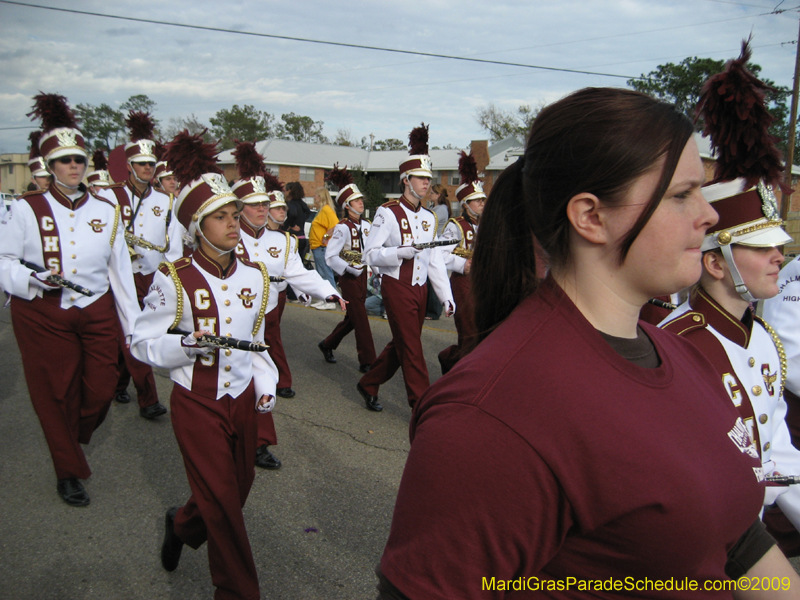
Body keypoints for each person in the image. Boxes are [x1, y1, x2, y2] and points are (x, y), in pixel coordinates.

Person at [376, 88, 799, 599]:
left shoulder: (685, 355)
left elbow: (736, 537)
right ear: (592, 217)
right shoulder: (491, 414)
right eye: (682, 195)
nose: (709, 218)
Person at [661, 41, 800, 560]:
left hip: (747, 542)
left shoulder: (761, 339)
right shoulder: (677, 343)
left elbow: (776, 451)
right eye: (761, 248)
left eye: (779, 247)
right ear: (715, 262)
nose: (777, 257)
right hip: (693, 553)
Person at [131, 130, 277, 600]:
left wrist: (266, 381)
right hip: (198, 402)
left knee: (234, 491)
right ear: (196, 226)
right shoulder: (174, 278)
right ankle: (238, 591)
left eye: (235, 214)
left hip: (242, 402)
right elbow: (141, 341)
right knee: (226, 509)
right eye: (220, 216)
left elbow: (258, 343)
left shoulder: (256, 275)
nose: (233, 223)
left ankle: (180, 525)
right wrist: (184, 347)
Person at [0, 93, 138, 506]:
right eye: (64, 161)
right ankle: (68, 469)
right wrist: (32, 277)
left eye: (78, 159)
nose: (74, 166)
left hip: (95, 307)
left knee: (99, 388)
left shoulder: (107, 209)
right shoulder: (27, 208)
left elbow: (120, 271)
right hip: (43, 310)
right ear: (49, 166)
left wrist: (132, 327)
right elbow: (4, 260)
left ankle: (68, 437)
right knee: (54, 392)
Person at [232, 143, 343, 405]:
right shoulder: (228, 237)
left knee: (266, 351)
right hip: (234, 311)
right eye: (255, 205)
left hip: (270, 303)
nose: (262, 209)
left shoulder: (282, 241)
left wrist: (328, 291)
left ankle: (269, 406)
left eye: (264, 204)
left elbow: (298, 272)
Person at [357, 124, 454, 412]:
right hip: (397, 287)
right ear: (406, 180)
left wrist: (446, 295)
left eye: (429, 178)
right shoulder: (387, 212)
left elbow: (435, 260)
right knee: (412, 349)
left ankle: (368, 383)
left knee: (403, 344)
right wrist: (400, 252)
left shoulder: (429, 216)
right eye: (421, 178)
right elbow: (369, 255)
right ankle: (422, 407)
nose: (427, 183)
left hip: (421, 290)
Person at [98, 111, 182, 419]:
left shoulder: (164, 200)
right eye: (141, 164)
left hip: (150, 276)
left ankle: (120, 384)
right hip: (117, 277)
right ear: (130, 166)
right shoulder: (109, 196)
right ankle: (148, 399)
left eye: (151, 164)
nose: (147, 168)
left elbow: (172, 244)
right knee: (132, 332)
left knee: (137, 331)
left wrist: (169, 277)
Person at [319, 164, 377, 373]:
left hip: (363, 276)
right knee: (360, 318)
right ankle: (368, 360)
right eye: (356, 201)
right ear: (347, 205)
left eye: (361, 200)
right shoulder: (343, 227)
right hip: (349, 277)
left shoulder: (368, 225)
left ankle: (327, 344)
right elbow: (330, 256)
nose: (361, 203)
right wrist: (350, 270)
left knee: (353, 318)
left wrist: (377, 272)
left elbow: (372, 251)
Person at [437, 150, 485, 374]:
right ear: (466, 204)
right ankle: (456, 369)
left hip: (483, 285)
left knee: (482, 334)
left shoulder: (488, 224)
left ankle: (455, 365)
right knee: (469, 334)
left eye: (483, 199)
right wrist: (463, 264)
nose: (482, 203)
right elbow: (442, 254)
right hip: (463, 283)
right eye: (477, 200)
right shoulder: (455, 225)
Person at [425, 183, 450, 320]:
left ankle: (434, 311)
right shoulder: (432, 207)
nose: (430, 194)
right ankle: (427, 308)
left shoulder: (441, 209)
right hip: (429, 246)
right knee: (428, 278)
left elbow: (428, 220)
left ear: (438, 195)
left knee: (435, 276)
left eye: (433, 192)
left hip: (437, 246)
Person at [308, 186, 339, 295]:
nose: (314, 197)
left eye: (316, 195)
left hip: (321, 247)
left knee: (325, 273)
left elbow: (336, 225)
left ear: (321, 197)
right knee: (322, 274)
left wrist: (326, 236)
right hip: (317, 247)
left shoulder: (326, 210)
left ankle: (331, 297)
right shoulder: (322, 210)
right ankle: (326, 296)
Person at [283, 180, 311, 265]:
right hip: (302, 237)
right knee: (300, 263)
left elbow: (293, 213)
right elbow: (308, 212)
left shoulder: (291, 203)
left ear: (290, 191)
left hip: (293, 238)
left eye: (285, 190)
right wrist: (300, 223)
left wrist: (291, 225)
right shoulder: (302, 203)